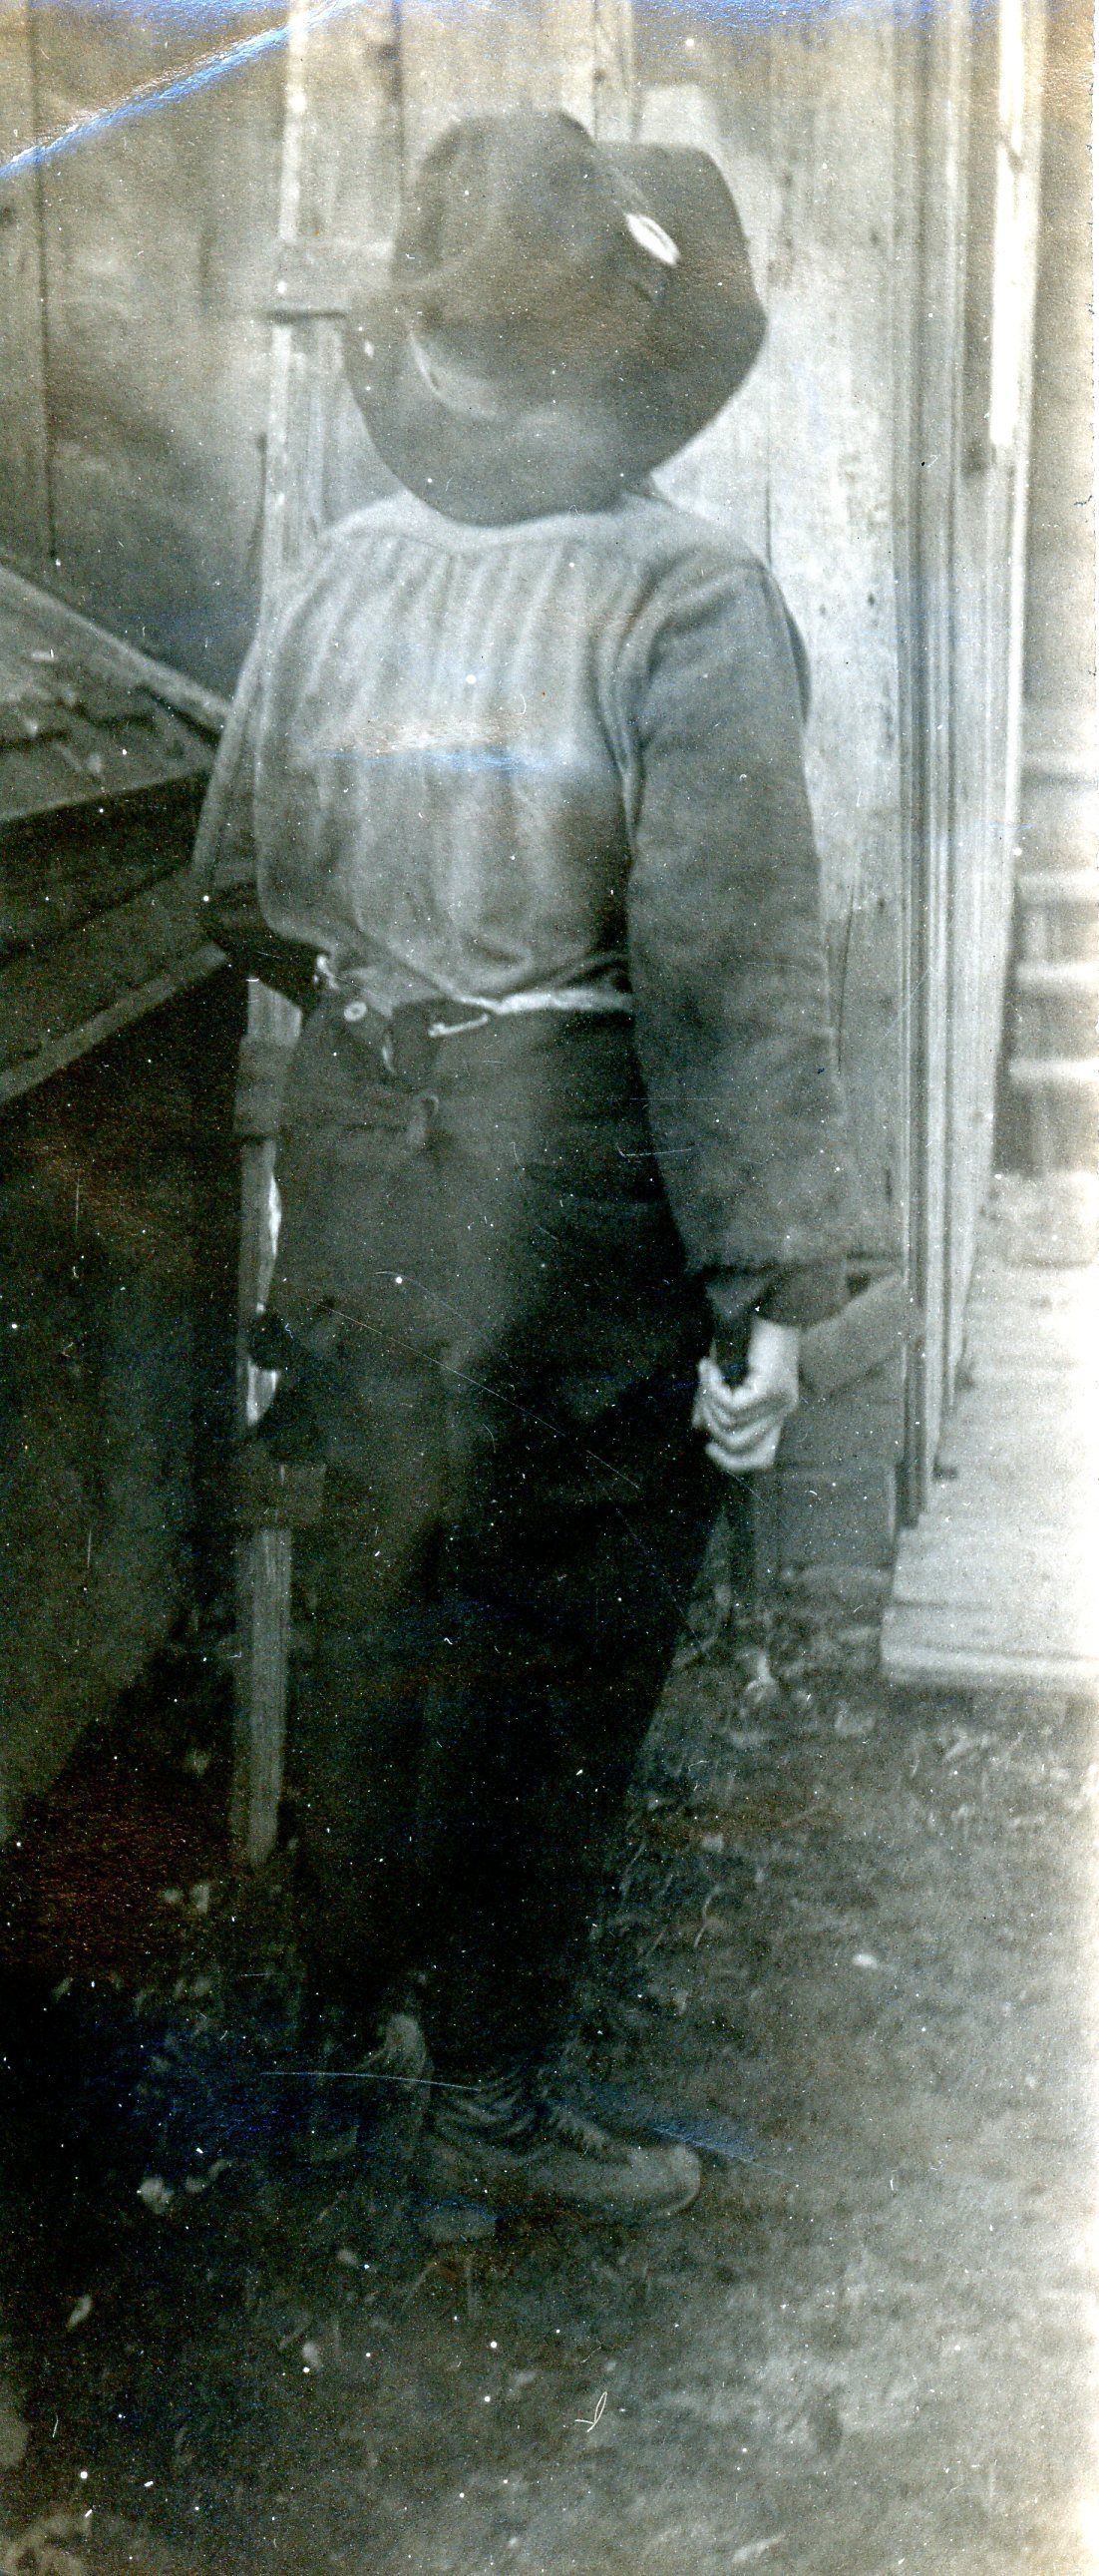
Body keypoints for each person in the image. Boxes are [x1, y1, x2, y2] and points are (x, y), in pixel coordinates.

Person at [192, 110, 853, 2228]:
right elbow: (725, 980)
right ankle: (483, 2105)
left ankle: (338, 2064)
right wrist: (764, 1291)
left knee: (374, 1594)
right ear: (628, 358)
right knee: (555, 1629)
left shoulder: (338, 572)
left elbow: (239, 891)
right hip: (567, 1192)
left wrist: (405, 1000)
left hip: (366, 1167)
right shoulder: (684, 594)